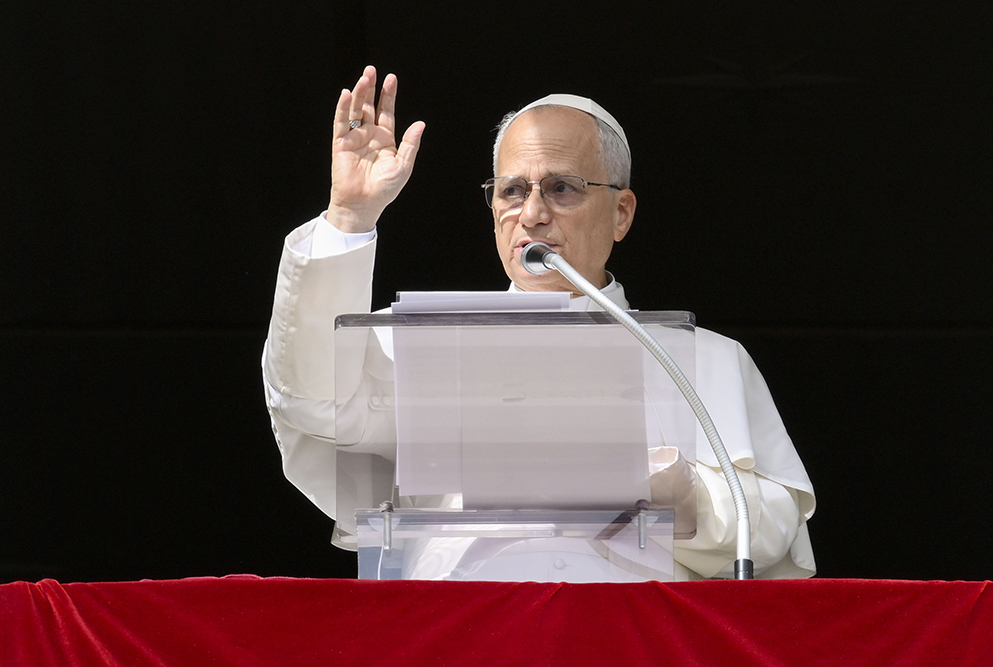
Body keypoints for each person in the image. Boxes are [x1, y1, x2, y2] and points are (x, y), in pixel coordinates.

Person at [263, 66, 816, 580]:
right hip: (466, 627)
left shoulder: (704, 358)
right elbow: (312, 405)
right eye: (511, 191)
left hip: (629, 632)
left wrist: (678, 492)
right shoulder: (414, 340)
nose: (531, 214)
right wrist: (349, 219)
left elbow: (770, 525)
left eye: (561, 188)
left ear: (621, 213)